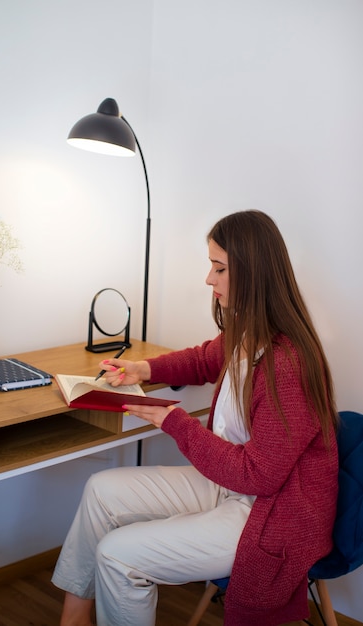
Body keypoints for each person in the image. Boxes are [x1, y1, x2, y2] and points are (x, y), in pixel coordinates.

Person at [52, 210, 339, 626]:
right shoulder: (250, 333)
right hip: (230, 487)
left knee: (117, 555)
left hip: (270, 511)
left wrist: (174, 422)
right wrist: (143, 370)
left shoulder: (288, 363)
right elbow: (204, 358)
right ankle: (74, 616)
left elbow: (258, 476)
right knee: (100, 490)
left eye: (219, 268)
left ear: (253, 273)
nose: (209, 279)